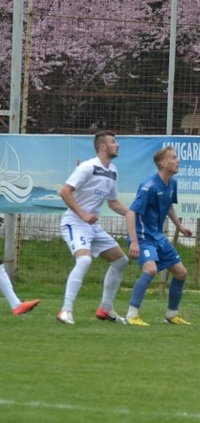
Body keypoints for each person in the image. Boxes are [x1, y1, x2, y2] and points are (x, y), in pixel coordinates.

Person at [56, 130, 130, 325]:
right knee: (84, 261)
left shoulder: (112, 170)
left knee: (121, 261)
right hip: (75, 222)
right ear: (103, 147)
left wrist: (132, 214)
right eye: (114, 142)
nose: (117, 145)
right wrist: (83, 214)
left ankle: (105, 309)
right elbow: (65, 192)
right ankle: (66, 310)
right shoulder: (88, 167)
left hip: (93, 226)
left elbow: (113, 203)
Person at [124, 146, 193, 327]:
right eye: (173, 157)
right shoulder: (149, 186)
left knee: (181, 273)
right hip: (143, 236)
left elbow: (168, 205)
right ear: (162, 163)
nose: (178, 161)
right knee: (151, 270)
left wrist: (180, 226)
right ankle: (131, 315)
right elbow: (131, 213)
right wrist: (134, 242)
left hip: (158, 236)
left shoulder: (172, 183)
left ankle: (171, 315)